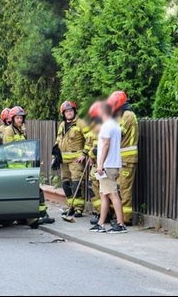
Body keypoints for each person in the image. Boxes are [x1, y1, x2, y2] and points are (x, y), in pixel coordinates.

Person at [90, 102, 127, 233]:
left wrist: (100, 164)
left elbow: (105, 145)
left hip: (108, 165)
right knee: (104, 194)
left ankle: (120, 224)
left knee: (112, 194)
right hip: (112, 164)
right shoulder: (115, 125)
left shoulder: (107, 126)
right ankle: (101, 223)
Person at [53, 101, 90, 217]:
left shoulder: (80, 123)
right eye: (66, 111)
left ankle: (79, 209)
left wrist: (84, 153)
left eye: (71, 111)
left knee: (76, 184)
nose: (69, 113)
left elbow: (89, 138)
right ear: (63, 114)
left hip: (76, 160)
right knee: (65, 184)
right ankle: (71, 207)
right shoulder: (62, 125)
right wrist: (55, 155)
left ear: (74, 111)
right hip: (64, 160)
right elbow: (58, 140)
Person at [108, 90, 139, 224]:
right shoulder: (123, 115)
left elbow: (119, 133)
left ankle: (126, 219)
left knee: (125, 189)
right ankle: (118, 216)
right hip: (122, 158)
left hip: (127, 158)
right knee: (120, 187)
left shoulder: (128, 115)